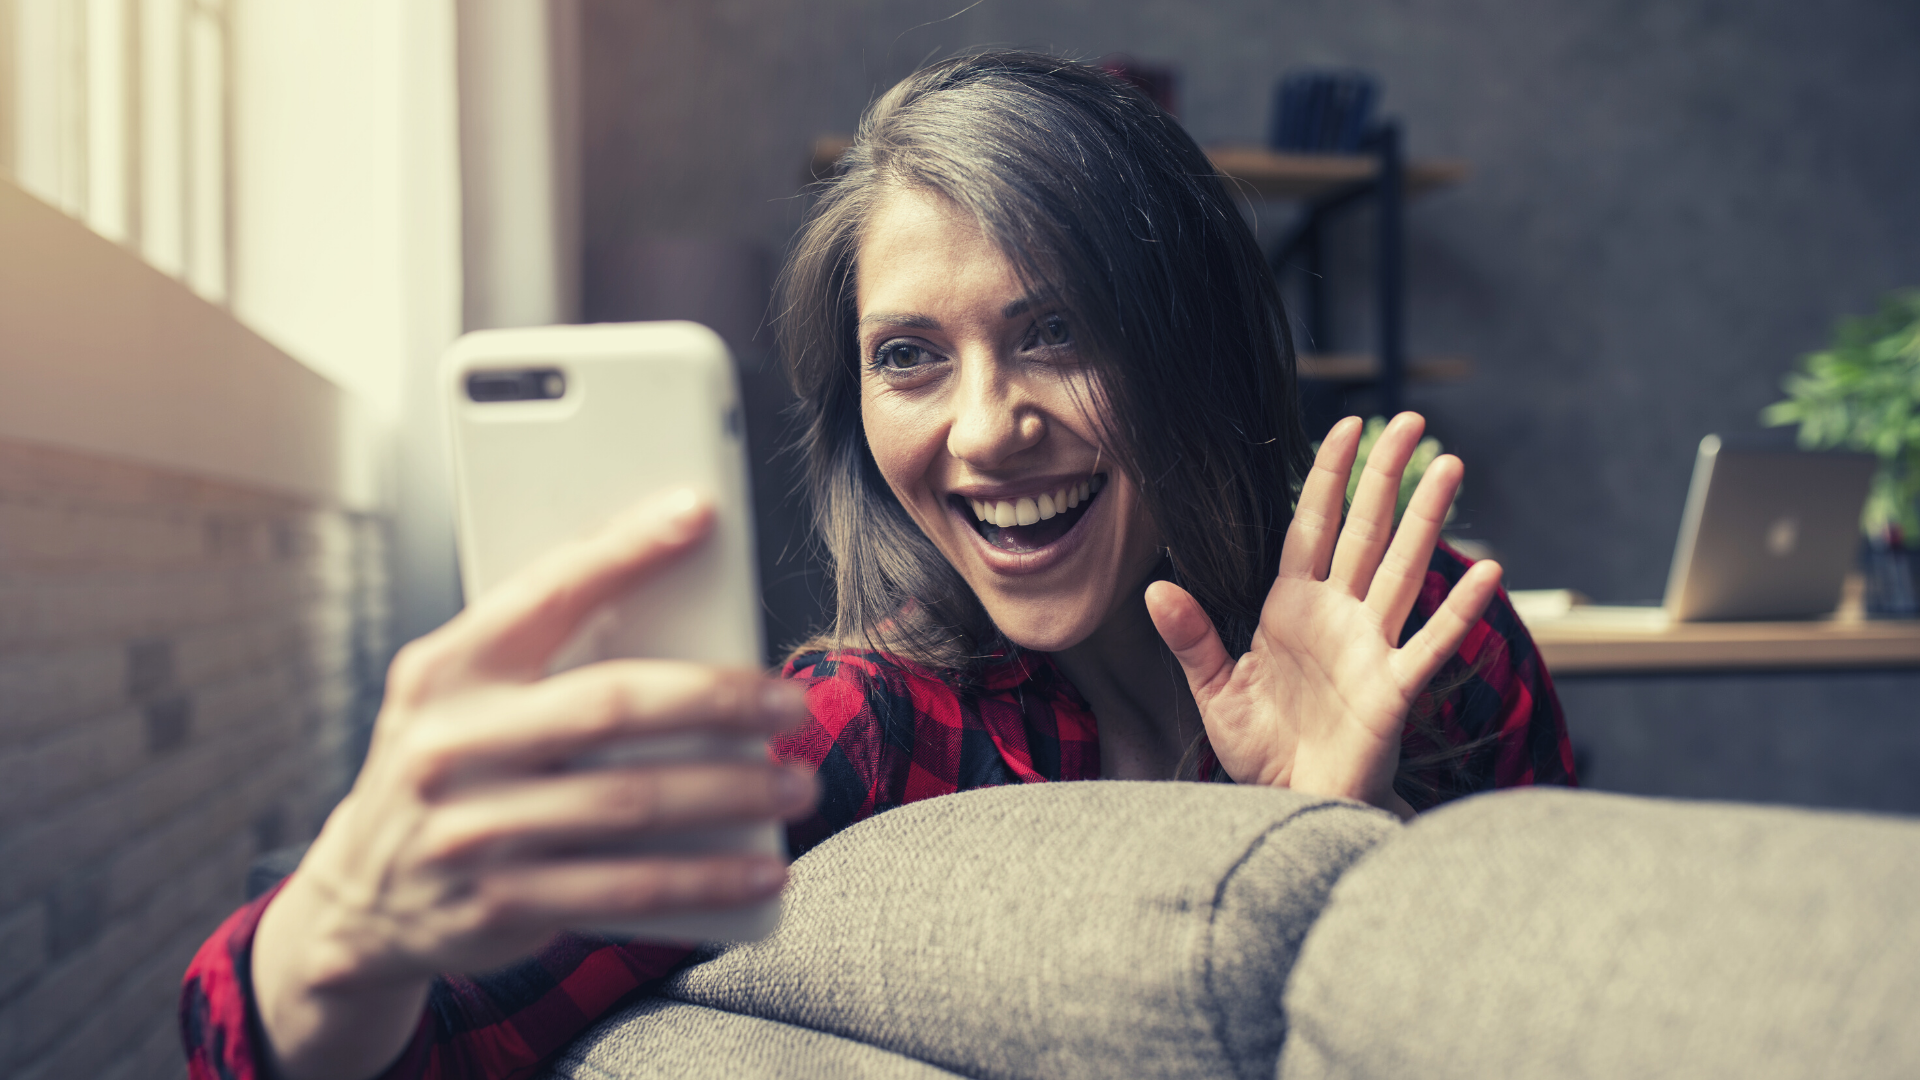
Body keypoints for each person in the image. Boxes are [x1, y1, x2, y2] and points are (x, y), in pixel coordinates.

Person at [182, 51, 1572, 1080]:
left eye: (1057, 332)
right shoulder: (858, 732)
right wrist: (342, 923)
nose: (987, 429)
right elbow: (386, 1049)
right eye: (911, 356)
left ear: (1189, 344)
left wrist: (1342, 842)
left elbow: (1571, 1014)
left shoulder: (1425, 655)